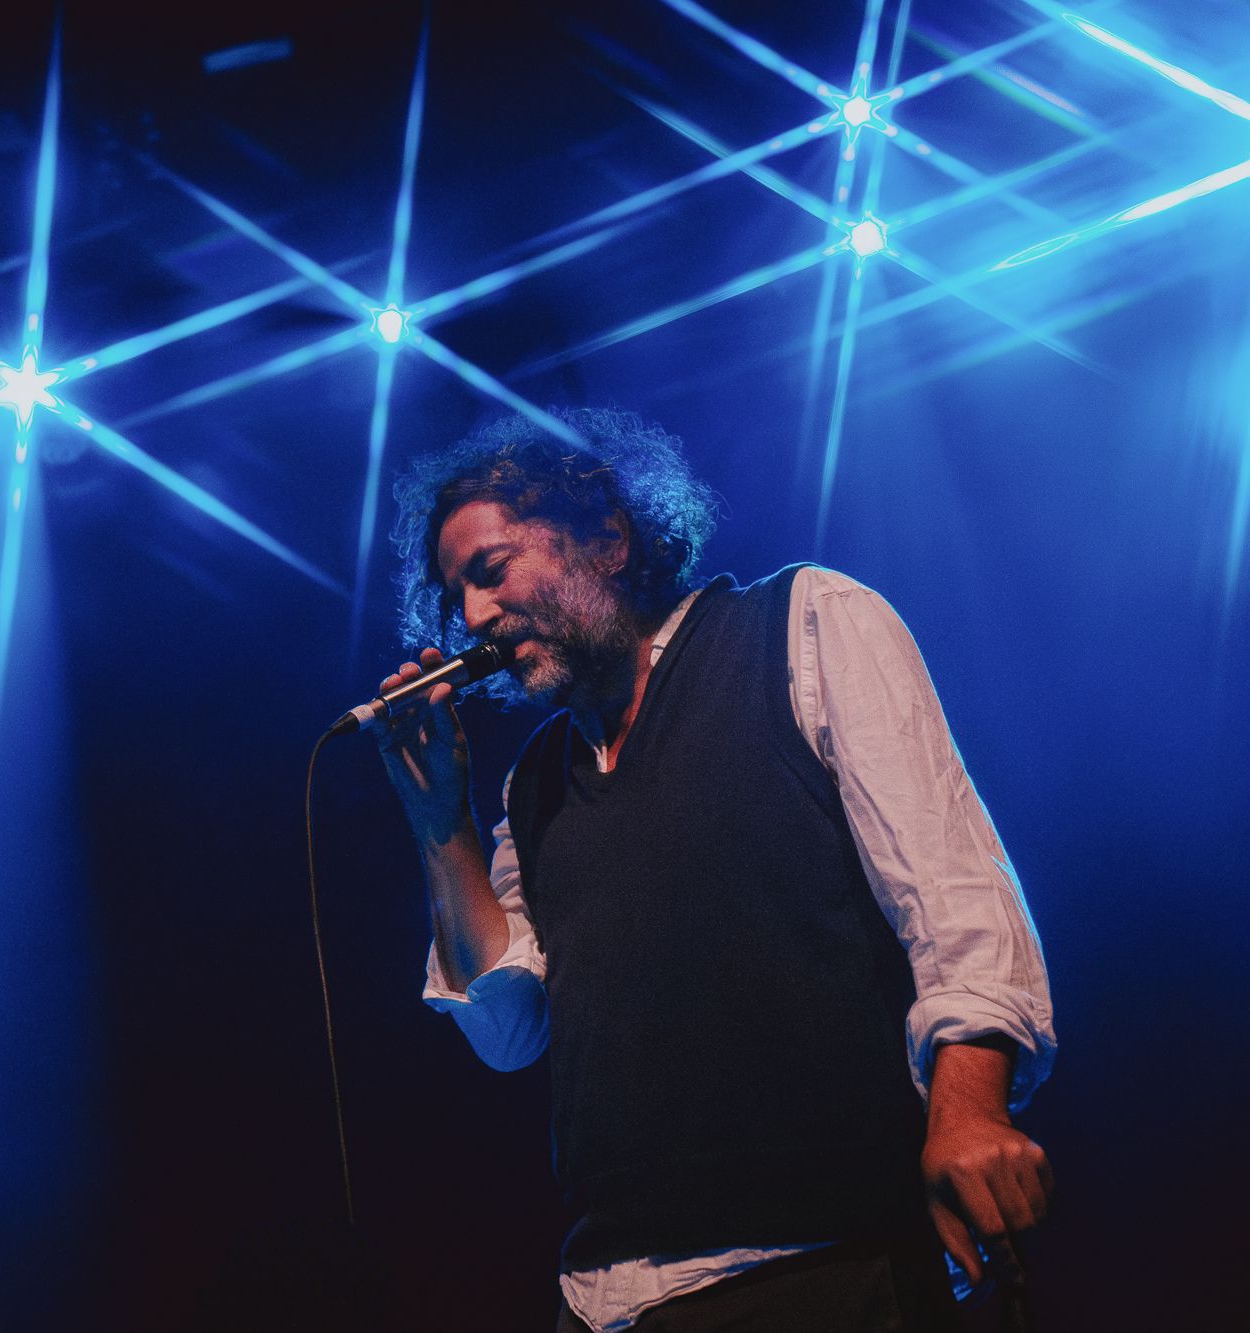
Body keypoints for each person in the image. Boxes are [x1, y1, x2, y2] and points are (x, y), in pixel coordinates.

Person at [372, 408, 1055, 1332]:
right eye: (458, 597)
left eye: (490, 572)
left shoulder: (803, 623)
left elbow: (954, 892)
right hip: (607, 1300)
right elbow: (507, 1031)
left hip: (821, 1266)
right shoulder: (536, 781)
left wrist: (970, 1109)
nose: (473, 618)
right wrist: (438, 819)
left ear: (608, 538)